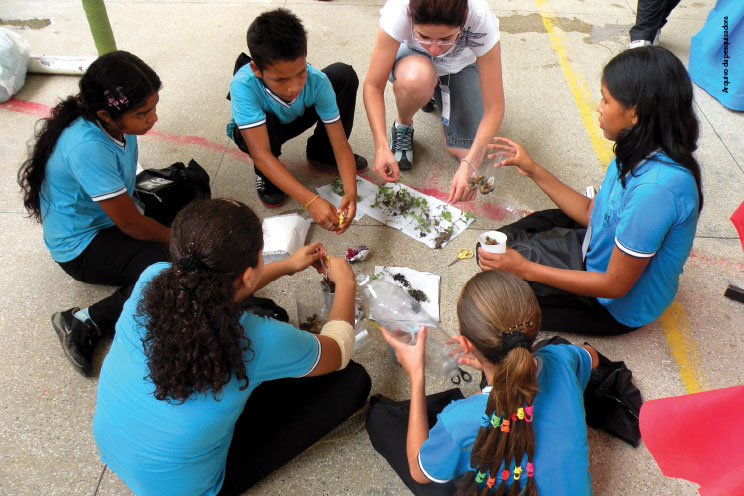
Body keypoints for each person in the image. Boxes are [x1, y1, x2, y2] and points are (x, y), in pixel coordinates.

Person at [92, 199, 371, 496]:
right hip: (187, 490)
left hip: (112, 446)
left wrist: (288, 266)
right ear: (248, 275)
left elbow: (214, 285)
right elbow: (338, 351)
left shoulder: (154, 276)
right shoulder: (260, 338)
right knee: (352, 380)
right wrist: (345, 284)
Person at [478, 46, 703, 335]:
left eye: (605, 100)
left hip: (612, 306)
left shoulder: (656, 191)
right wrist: (532, 168)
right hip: (597, 254)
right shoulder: (641, 148)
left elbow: (615, 285)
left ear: (634, 113)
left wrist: (525, 269)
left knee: (496, 302)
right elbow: (591, 212)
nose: (598, 107)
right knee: (496, 248)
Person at [366, 270, 599, 495]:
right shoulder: (562, 358)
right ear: (535, 328)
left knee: (379, 417)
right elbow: (592, 357)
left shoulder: (462, 420)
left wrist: (416, 375)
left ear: (466, 344)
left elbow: (419, 473)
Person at [17, 51, 170, 376]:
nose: (153, 118)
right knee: (171, 268)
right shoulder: (87, 146)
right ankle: (84, 321)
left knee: (190, 202)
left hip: (110, 216)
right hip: (82, 245)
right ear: (106, 114)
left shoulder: (110, 119)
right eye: (143, 113)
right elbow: (130, 223)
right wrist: (177, 238)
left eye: (154, 106)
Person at [228, 8, 366, 232]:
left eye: (300, 72)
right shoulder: (243, 86)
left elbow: (341, 145)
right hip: (258, 133)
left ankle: (320, 152)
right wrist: (311, 201)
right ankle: (267, 178)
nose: (293, 87)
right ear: (256, 69)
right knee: (265, 145)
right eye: (280, 79)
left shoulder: (316, 81)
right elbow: (261, 154)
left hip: (294, 117)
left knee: (343, 74)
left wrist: (350, 192)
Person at [363, 0, 505, 203]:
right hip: (414, 61)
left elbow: (495, 106)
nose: (435, 49)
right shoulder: (400, 10)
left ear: (464, 19)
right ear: (412, 20)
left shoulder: (480, 18)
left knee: (469, 152)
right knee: (415, 80)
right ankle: (404, 122)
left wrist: (469, 164)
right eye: (424, 36)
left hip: (460, 66)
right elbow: (372, 85)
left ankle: (435, 93)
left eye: (446, 38)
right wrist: (381, 146)